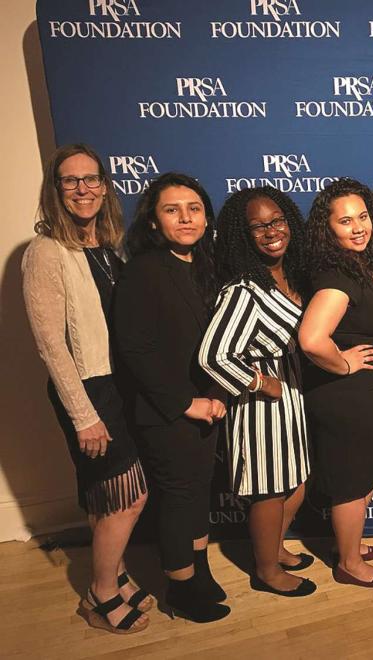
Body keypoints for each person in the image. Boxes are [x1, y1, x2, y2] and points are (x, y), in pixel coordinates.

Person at [22, 144, 150, 634]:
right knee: (125, 496)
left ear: (104, 186)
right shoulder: (45, 252)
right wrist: (84, 414)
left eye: (91, 179)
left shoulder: (105, 246)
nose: (83, 189)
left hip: (119, 385)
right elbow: (51, 344)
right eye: (70, 181)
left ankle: (113, 574)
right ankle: (98, 596)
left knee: (108, 495)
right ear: (56, 191)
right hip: (89, 389)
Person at [114, 172, 230, 623]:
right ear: (154, 222)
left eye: (194, 208)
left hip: (210, 402)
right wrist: (186, 403)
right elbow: (135, 349)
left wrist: (218, 391)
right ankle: (180, 588)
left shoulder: (205, 266)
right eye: (172, 209)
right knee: (181, 496)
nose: (185, 217)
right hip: (169, 411)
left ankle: (197, 570)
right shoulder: (144, 270)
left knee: (198, 493)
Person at [199, 186, 315, 598]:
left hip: (293, 396)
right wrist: (261, 383)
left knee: (296, 484)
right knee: (268, 490)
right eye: (258, 226)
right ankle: (266, 570)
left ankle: (276, 548)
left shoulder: (287, 276)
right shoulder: (243, 291)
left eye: (277, 221)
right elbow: (213, 356)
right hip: (261, 405)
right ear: (242, 235)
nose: (271, 231)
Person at [298, 178, 373, 588]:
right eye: (345, 221)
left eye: (363, 217)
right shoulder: (336, 276)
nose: (358, 227)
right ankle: (349, 565)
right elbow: (311, 339)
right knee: (352, 482)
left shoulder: (358, 265)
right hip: (347, 397)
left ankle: (350, 546)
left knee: (364, 474)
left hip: (368, 396)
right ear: (328, 229)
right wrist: (343, 365)